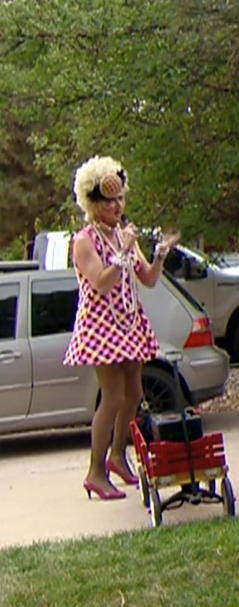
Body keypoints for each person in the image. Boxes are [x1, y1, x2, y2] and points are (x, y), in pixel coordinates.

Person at [63, 156, 180, 499]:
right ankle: (95, 472)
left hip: (129, 323)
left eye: (120, 199)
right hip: (101, 327)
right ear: (93, 203)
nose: (117, 206)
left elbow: (148, 279)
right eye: (109, 201)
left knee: (134, 394)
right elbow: (100, 281)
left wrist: (158, 255)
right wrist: (124, 251)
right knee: (112, 397)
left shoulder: (121, 235)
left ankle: (117, 455)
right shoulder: (85, 240)